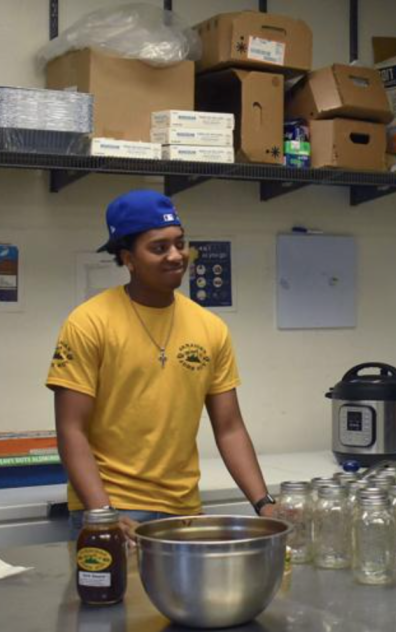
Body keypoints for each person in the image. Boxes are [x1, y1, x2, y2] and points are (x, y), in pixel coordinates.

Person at [47, 190, 278, 540]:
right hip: (111, 505)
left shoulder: (210, 327)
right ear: (128, 258)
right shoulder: (89, 323)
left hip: (182, 510)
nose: (176, 256)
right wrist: (102, 513)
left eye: (180, 244)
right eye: (159, 248)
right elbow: (70, 430)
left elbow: (229, 428)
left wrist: (264, 503)